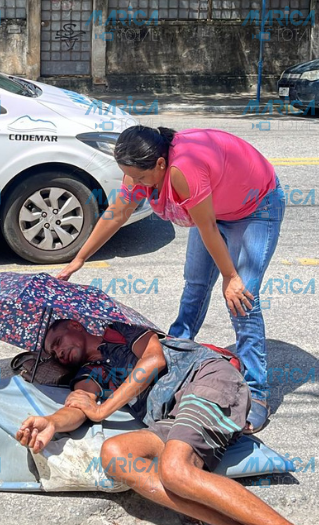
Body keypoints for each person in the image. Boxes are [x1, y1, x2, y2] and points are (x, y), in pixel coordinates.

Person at [17, 318, 319, 525]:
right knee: (115, 453)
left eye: (57, 339)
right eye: (52, 352)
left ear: (75, 325)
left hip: (205, 380)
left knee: (175, 470)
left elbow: (154, 359)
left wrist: (104, 409)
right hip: (171, 417)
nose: (57, 351)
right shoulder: (90, 374)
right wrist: (53, 422)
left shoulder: (118, 330)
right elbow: (79, 406)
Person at [58, 125, 285, 433]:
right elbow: (118, 212)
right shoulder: (141, 168)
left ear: (161, 164)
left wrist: (231, 276)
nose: (134, 184)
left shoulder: (182, 171)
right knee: (195, 284)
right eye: (130, 176)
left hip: (255, 207)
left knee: (241, 299)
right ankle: (175, 353)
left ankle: (257, 392)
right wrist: (80, 258)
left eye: (139, 177)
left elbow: (206, 228)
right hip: (213, 205)